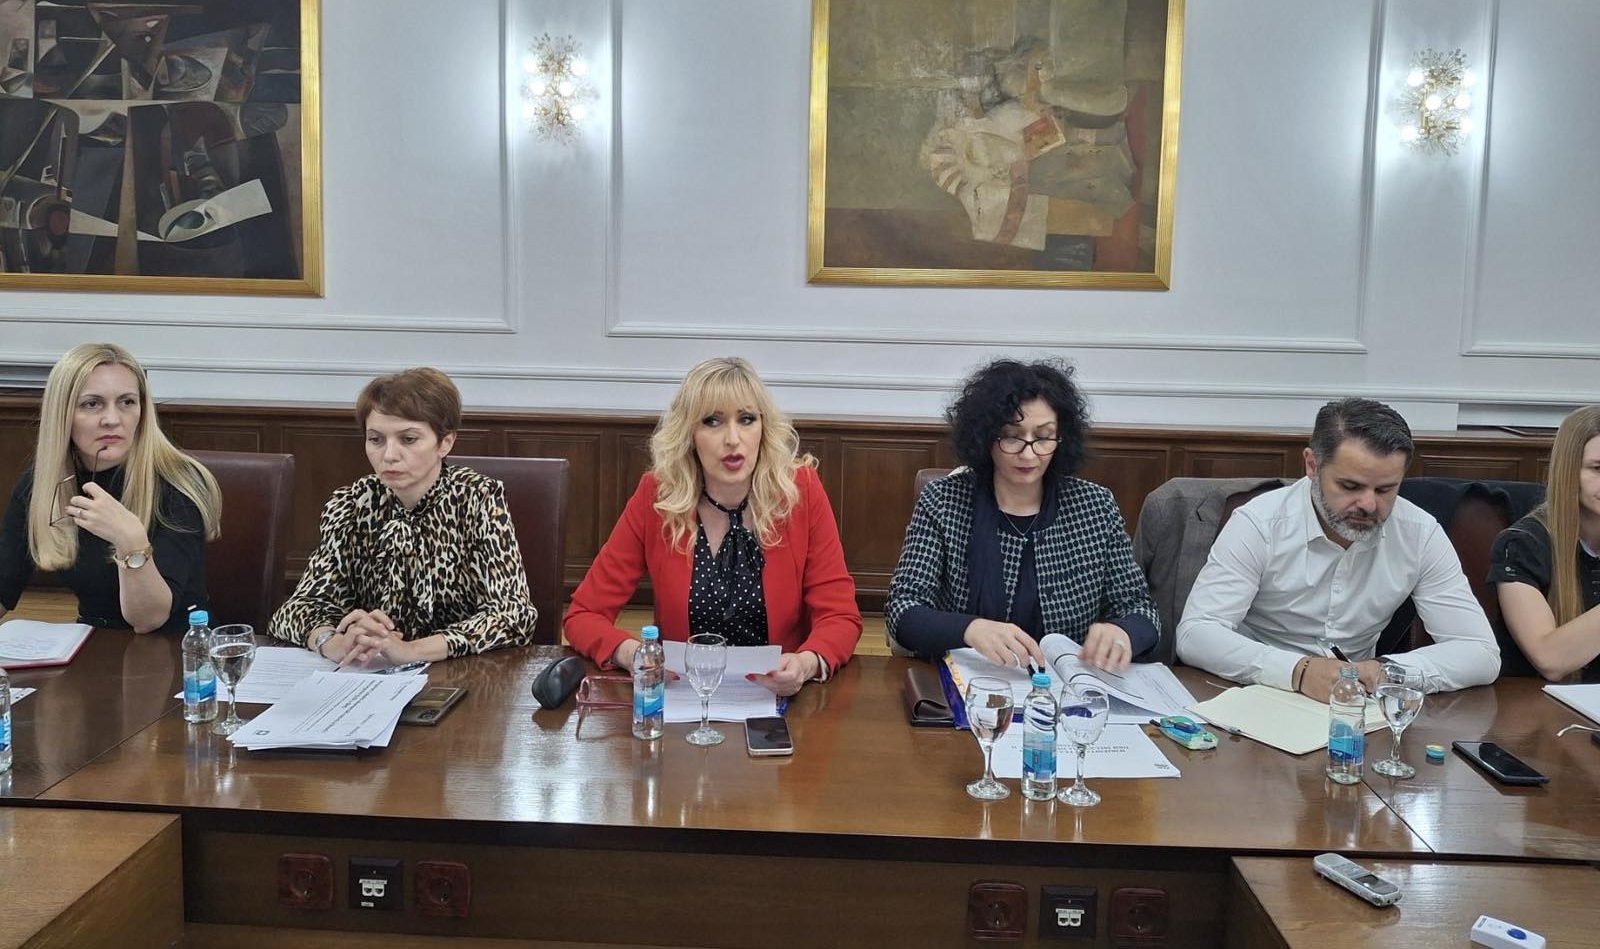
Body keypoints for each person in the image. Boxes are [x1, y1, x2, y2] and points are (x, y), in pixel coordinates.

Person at [563, 357, 861, 696]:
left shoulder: (800, 491)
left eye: (746, 419)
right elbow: (584, 614)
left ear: (763, 428)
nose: (733, 439)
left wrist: (806, 663)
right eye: (712, 421)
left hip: (781, 700)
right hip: (684, 699)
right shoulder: (658, 497)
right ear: (689, 434)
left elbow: (840, 616)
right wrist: (635, 655)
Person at [1176, 398, 1499, 695]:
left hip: (1356, 699)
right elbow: (1197, 634)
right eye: (1350, 486)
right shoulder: (1260, 523)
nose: (1369, 505)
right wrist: (1298, 671)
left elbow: (1480, 651)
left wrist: (1388, 671)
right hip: (1257, 690)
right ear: (1312, 465)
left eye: (1385, 490)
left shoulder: (1419, 533)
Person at [885, 358, 1159, 673]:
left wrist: (1123, 633)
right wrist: (970, 629)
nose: (1028, 454)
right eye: (1012, 436)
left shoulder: (1095, 506)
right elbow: (902, 608)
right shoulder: (944, 501)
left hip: (1068, 686)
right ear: (986, 437)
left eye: (1043, 437)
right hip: (969, 684)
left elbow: (1140, 609)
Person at [268, 367, 536, 665]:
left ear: (445, 442)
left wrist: (412, 650)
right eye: (376, 439)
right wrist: (331, 642)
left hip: (459, 671)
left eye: (408, 439)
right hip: (370, 671)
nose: (389, 455)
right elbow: (295, 609)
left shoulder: (476, 498)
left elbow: (513, 616)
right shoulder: (351, 504)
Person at [0, 343, 220, 633]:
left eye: (127, 402)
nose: (113, 420)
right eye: (92, 404)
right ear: (62, 413)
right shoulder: (43, 483)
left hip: (178, 645)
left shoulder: (178, 481)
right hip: (90, 643)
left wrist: (129, 539)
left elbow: (149, 619)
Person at [1490, 405, 1600, 681]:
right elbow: (1550, 659)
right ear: (1568, 470)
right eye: (1598, 468)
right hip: (1545, 702)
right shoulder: (1522, 545)